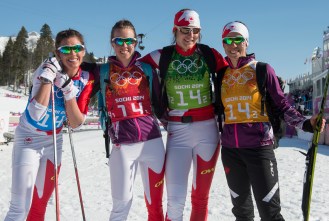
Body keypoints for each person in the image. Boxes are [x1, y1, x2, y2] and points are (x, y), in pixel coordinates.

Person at [217, 21, 326, 221]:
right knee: (241, 213)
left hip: (259, 148)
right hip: (231, 151)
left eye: (238, 39)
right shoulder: (221, 75)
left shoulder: (261, 69)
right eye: (228, 40)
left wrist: (305, 123)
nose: (233, 45)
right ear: (223, 44)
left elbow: (282, 104)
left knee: (270, 213)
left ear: (246, 42)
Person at [140, 9, 228, 221]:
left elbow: (231, 73)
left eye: (195, 30)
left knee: (200, 198)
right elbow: (134, 68)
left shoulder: (209, 54)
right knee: (176, 200)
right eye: (185, 30)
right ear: (175, 30)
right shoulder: (163, 55)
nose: (190, 35)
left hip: (208, 131)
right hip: (177, 132)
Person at [4, 29, 95, 221]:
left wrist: (69, 90)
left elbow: (76, 123)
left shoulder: (86, 79)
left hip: (54, 141)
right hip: (29, 138)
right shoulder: (45, 69)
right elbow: (36, 114)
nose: (73, 54)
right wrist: (47, 79)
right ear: (57, 52)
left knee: (40, 204)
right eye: (66, 49)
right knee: (20, 207)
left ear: (84, 51)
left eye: (78, 48)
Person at [93, 19, 166, 221]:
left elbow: (158, 103)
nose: (124, 46)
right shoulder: (103, 71)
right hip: (122, 146)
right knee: (121, 206)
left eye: (129, 41)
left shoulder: (148, 70)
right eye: (119, 40)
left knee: (155, 205)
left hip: (152, 143)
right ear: (112, 42)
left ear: (135, 42)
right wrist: (108, 127)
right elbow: (97, 103)